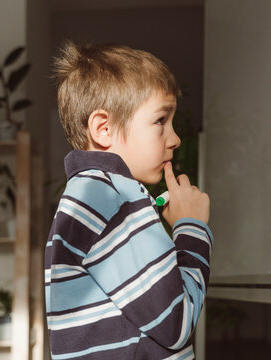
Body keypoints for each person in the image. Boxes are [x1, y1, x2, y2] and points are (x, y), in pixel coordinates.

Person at [45, 41, 213, 360]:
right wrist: (193, 228)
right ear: (104, 129)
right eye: (160, 121)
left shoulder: (89, 195)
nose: (175, 139)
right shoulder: (112, 196)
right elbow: (176, 323)